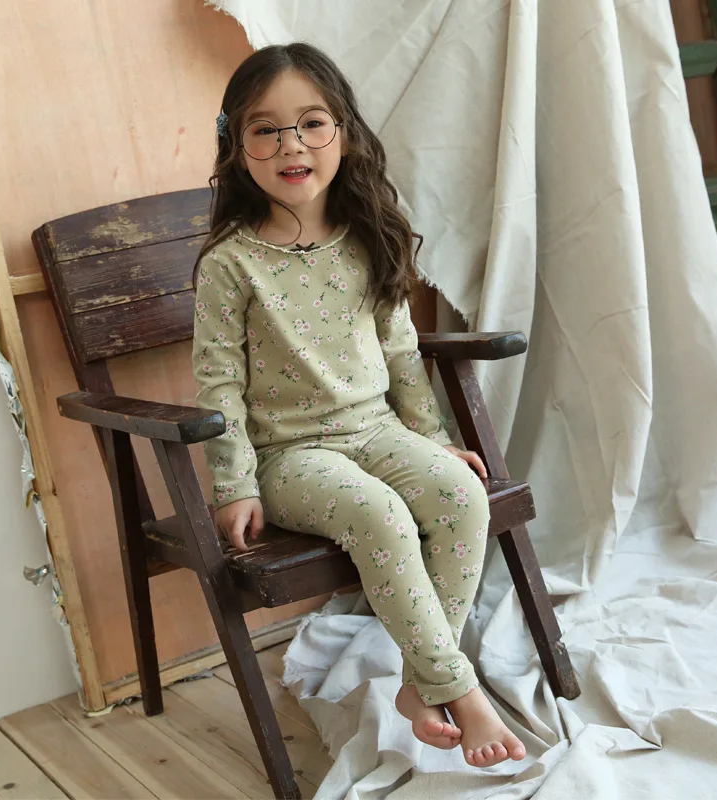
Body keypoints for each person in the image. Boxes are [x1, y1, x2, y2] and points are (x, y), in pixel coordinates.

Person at [192, 42, 526, 768]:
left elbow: (402, 354)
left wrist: (430, 437)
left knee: (461, 494)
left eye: (312, 123)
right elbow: (218, 385)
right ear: (237, 148)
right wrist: (235, 484)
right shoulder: (230, 264)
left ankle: (419, 685)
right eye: (265, 129)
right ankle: (458, 689)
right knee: (381, 515)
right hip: (291, 457)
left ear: (343, 132)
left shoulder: (369, 237)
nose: (292, 145)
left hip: (377, 431)